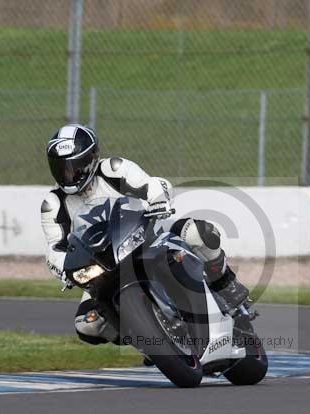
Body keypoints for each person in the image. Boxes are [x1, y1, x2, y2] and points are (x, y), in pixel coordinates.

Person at [40, 123, 250, 344]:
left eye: (74, 166)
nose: (68, 174)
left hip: (144, 235)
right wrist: (66, 269)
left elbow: (150, 184)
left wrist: (158, 200)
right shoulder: (53, 204)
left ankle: (226, 286)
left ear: (91, 157)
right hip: (102, 266)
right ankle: (147, 339)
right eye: (61, 168)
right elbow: (55, 247)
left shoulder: (113, 169)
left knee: (198, 233)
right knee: (87, 324)